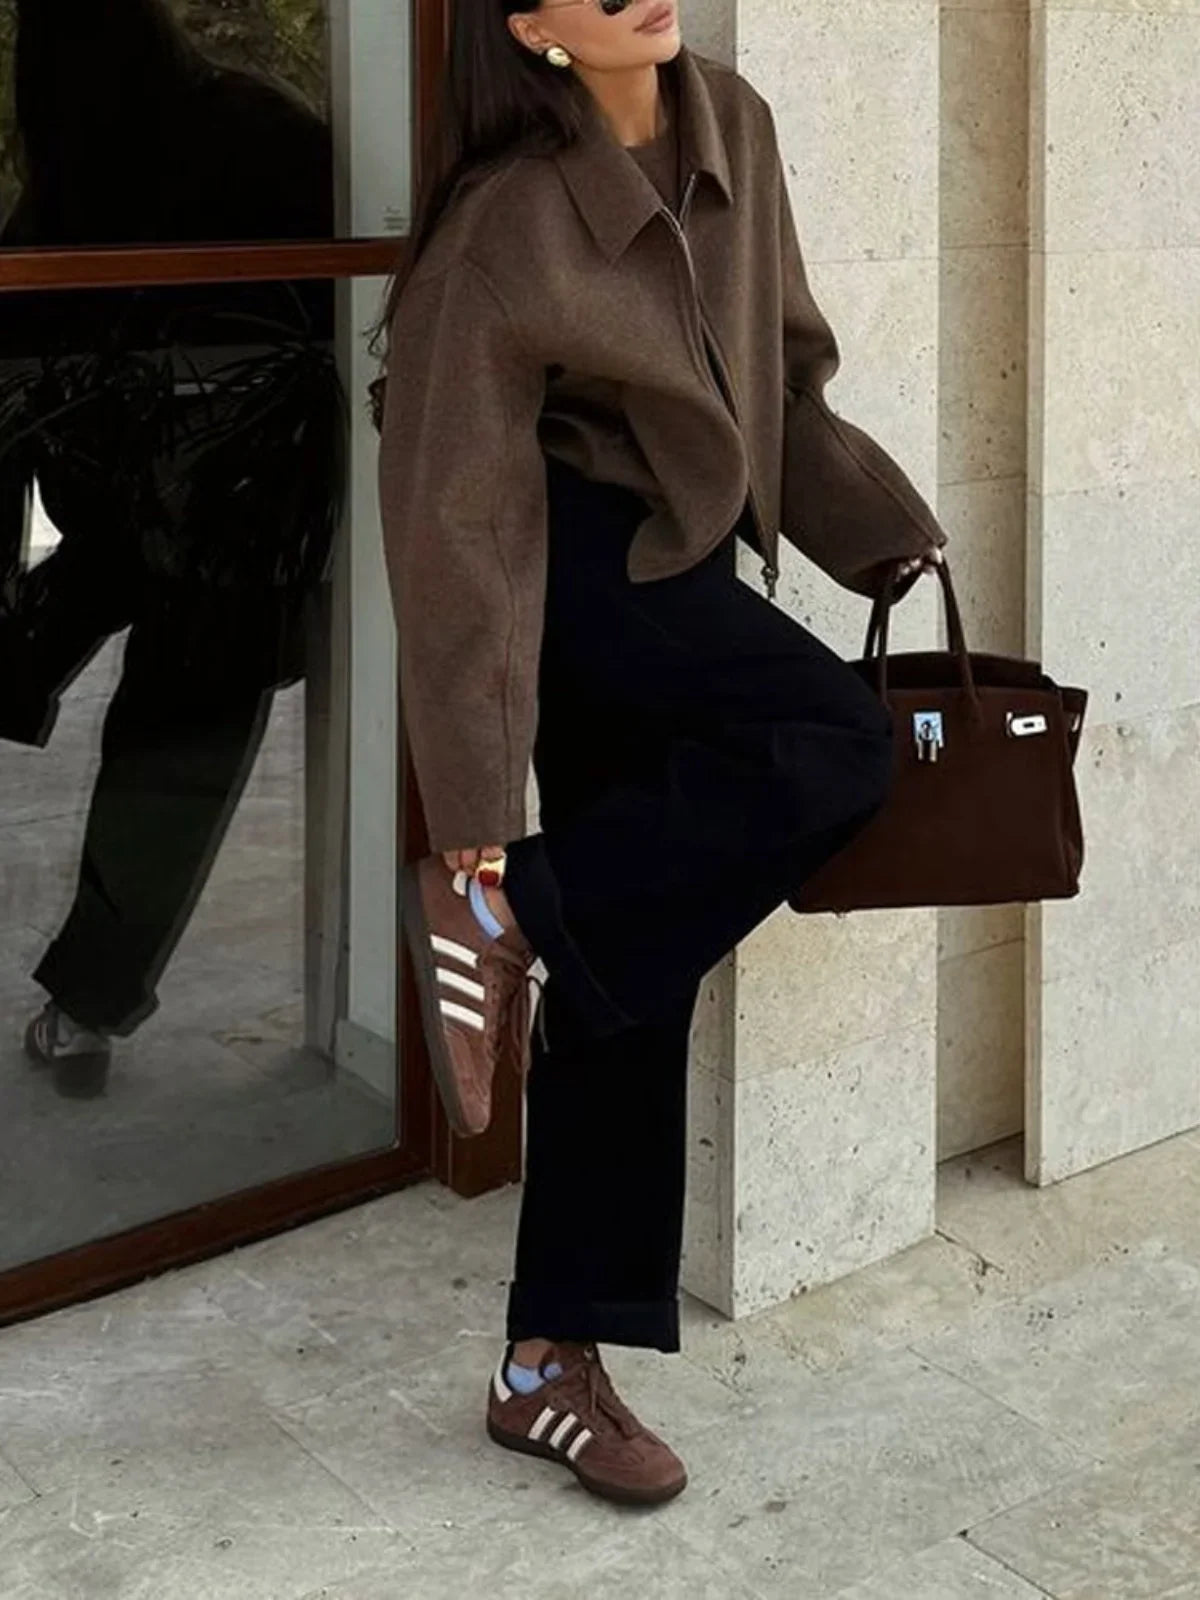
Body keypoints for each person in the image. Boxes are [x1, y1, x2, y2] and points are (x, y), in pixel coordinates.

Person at [375, 0, 946, 1508]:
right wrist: (478, 811)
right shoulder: (505, 225)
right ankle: (499, 901)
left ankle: (542, 1367)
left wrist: (879, 529)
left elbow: (785, 377)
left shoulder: (732, 125)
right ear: (534, 28)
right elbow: (450, 526)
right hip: (567, 579)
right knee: (834, 740)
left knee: (630, 955)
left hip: (682, 561)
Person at [0, 0, 338, 1086]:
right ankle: (86, 1008)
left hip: (161, 519)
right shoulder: (264, 132)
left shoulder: (67, 181)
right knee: (170, 767)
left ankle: (87, 1006)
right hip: (232, 527)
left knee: (152, 723)